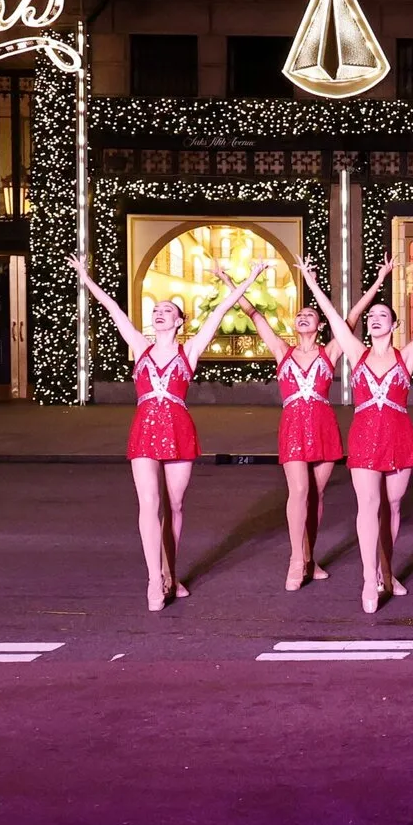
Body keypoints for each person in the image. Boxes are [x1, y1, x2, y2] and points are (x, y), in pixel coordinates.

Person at [69, 252, 270, 611]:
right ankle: (153, 579)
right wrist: (86, 278)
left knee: (175, 505)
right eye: (156, 310)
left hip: (178, 429)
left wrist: (250, 279)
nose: (159, 313)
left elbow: (221, 310)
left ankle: (170, 573)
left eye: (167, 310)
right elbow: (114, 310)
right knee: (149, 503)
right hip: (145, 430)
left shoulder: (188, 350)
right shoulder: (140, 347)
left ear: (179, 321)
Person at [303, 261, 413, 613]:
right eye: (372, 316)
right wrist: (311, 282)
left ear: (394, 325)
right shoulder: (357, 353)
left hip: (398, 437)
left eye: (383, 315)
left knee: (392, 506)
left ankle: (386, 569)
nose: (375, 318)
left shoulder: (406, 356)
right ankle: (370, 579)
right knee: (368, 504)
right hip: (364, 437)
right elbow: (334, 318)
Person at [243, 260, 390, 590]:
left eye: (309, 314)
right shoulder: (282, 351)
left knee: (316, 496)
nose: (303, 316)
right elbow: (255, 317)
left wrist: (379, 280)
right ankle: (296, 561)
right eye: (299, 315)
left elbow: (352, 316)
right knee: (299, 490)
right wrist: (239, 283)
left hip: (323, 426)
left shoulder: (330, 352)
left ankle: (310, 558)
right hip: (293, 427)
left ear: (320, 324)